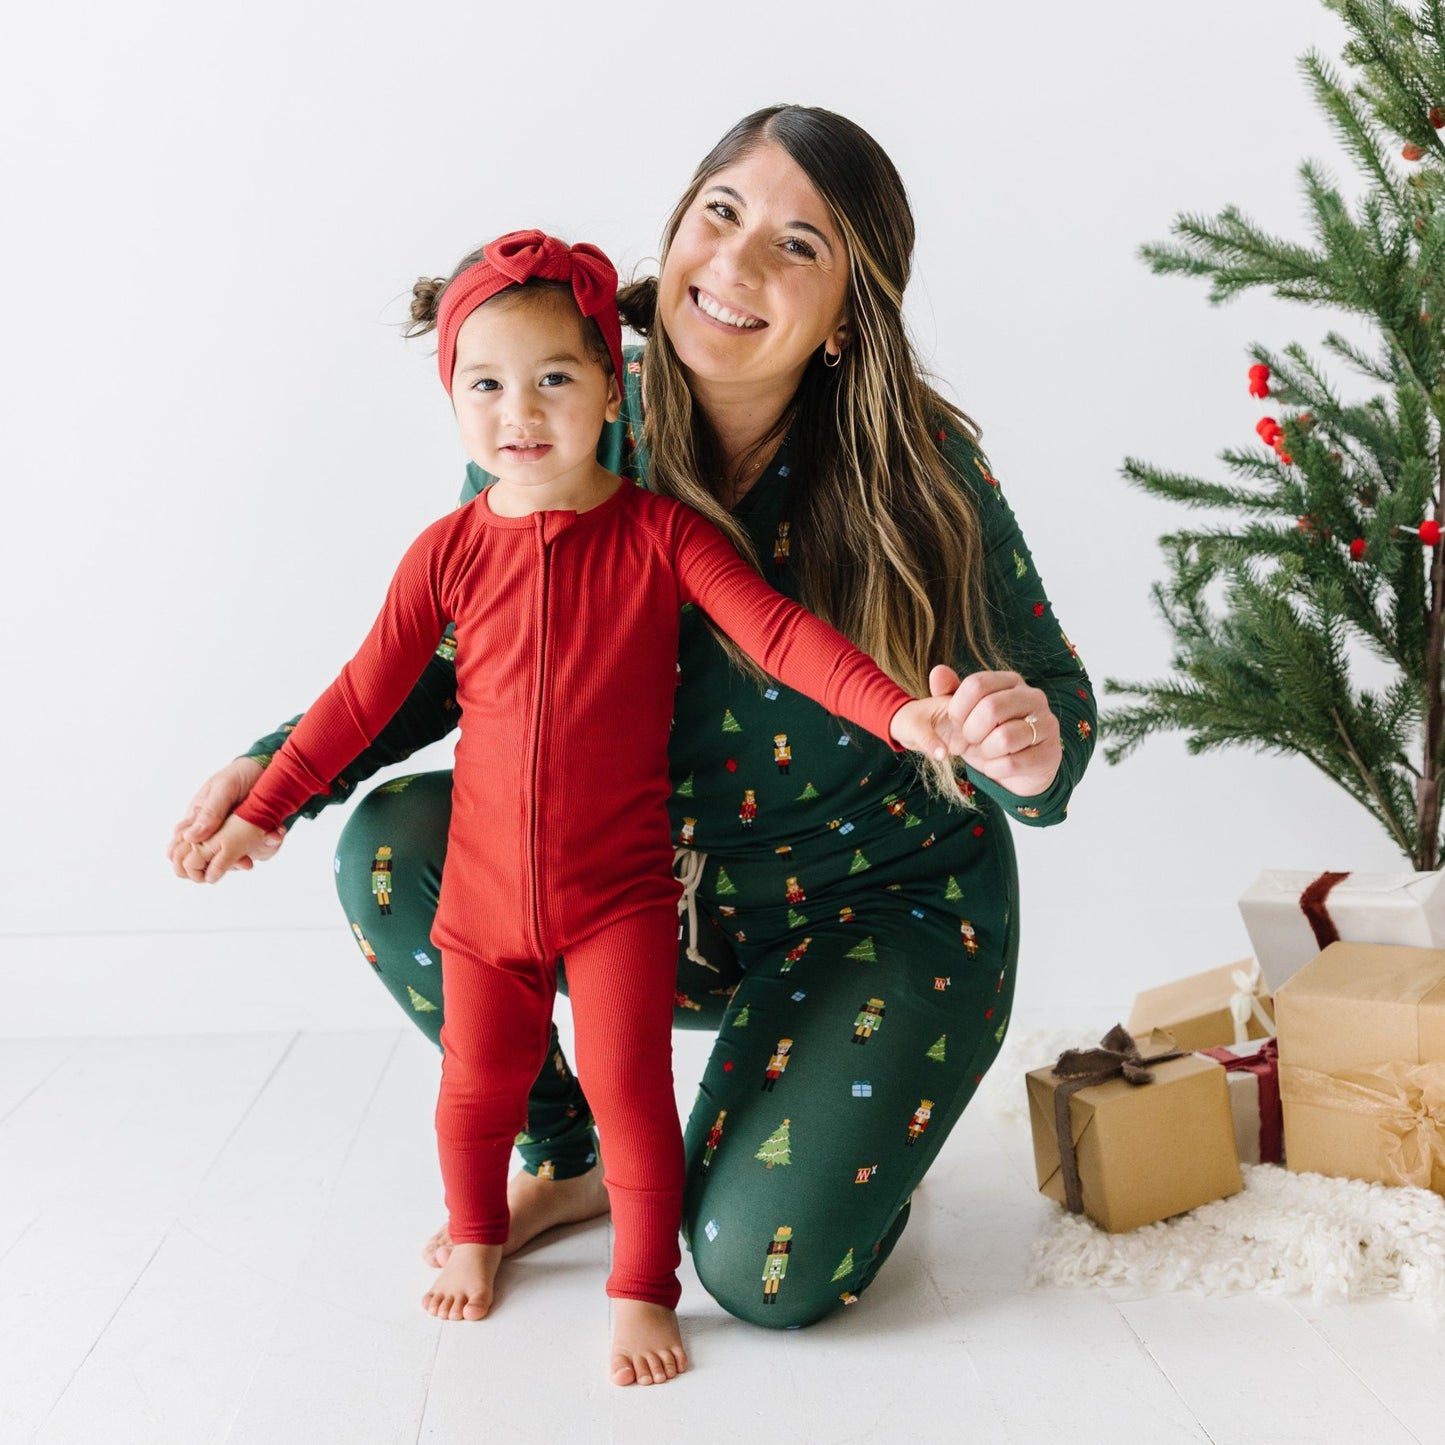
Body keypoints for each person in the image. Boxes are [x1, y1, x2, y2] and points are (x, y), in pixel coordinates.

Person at [170, 104, 1095, 1340]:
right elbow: (449, 654)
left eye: (798, 246)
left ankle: (828, 1122)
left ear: (845, 315)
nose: (735, 264)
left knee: (764, 1274)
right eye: (721, 212)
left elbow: (1052, 709)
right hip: (630, 902)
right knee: (389, 848)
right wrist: (274, 768)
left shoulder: (918, 465)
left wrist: (1025, 750)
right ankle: (576, 1149)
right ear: (677, 219)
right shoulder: (571, 385)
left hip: (875, 908)